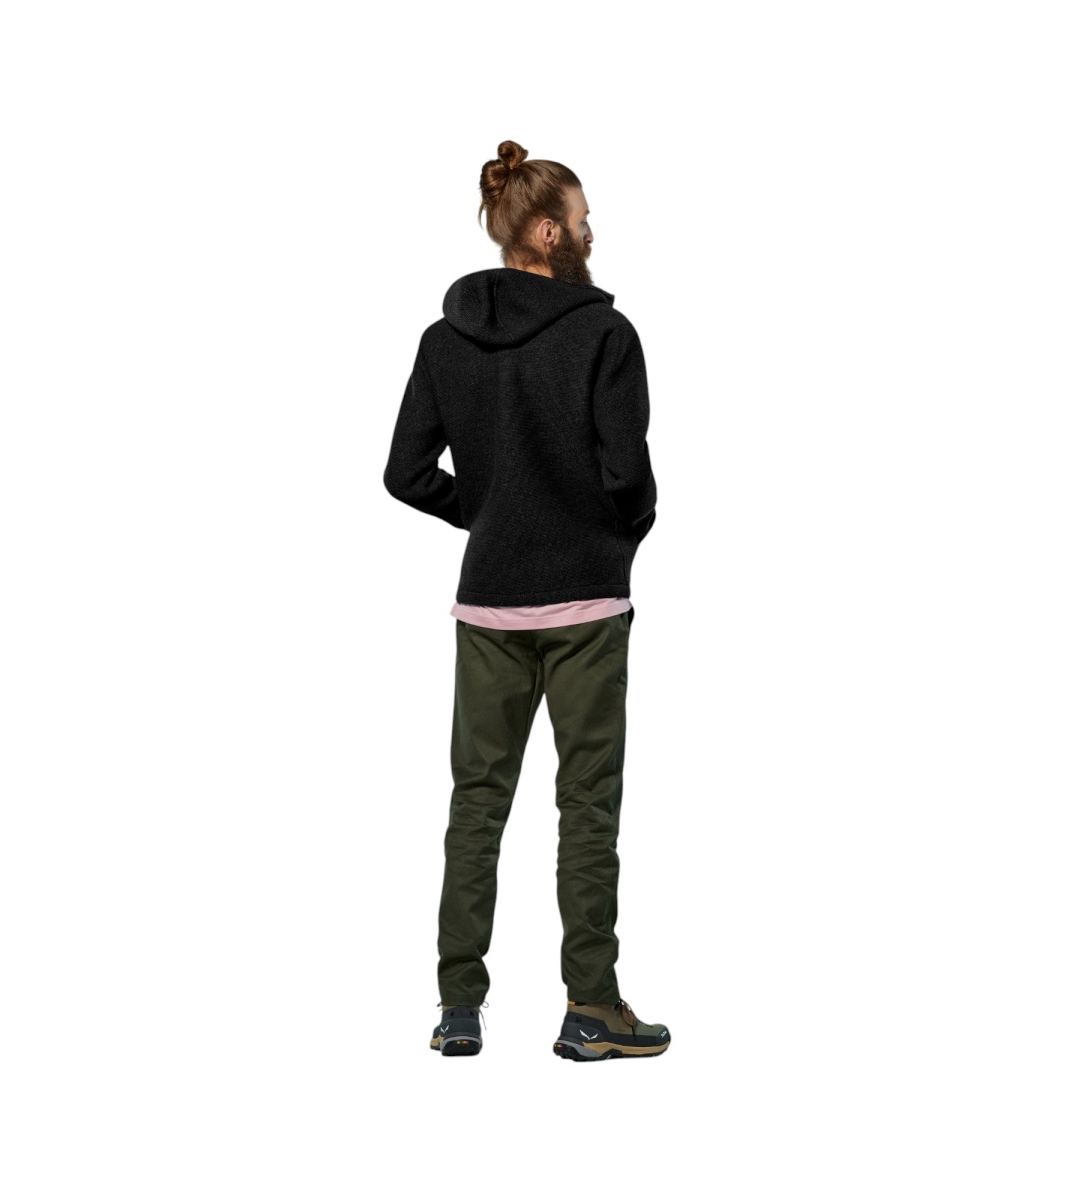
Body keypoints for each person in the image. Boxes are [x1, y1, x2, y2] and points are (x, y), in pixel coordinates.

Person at [383, 140, 670, 1062]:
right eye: (582, 220)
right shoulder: (605, 336)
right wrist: (617, 536)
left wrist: (491, 513)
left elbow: (404, 473)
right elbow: (629, 477)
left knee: (477, 804)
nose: (591, 234)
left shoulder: (443, 341)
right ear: (547, 232)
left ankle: (458, 1009)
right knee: (586, 808)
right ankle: (591, 1009)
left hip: (489, 608)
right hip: (586, 606)